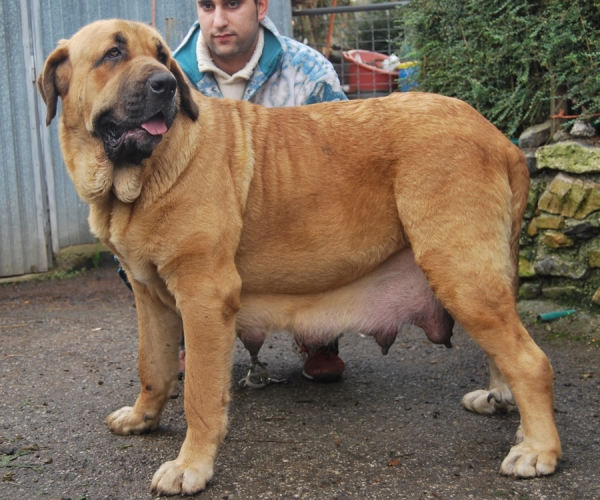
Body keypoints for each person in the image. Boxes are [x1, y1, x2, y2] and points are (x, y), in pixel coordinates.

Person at [168, 0, 348, 382]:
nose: (218, 20)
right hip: (200, 225)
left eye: (232, 4)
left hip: (291, 222)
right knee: (140, 252)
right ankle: (191, 335)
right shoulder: (170, 76)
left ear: (261, 6)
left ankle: (320, 338)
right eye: (206, 5)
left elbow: (341, 167)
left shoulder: (309, 72)